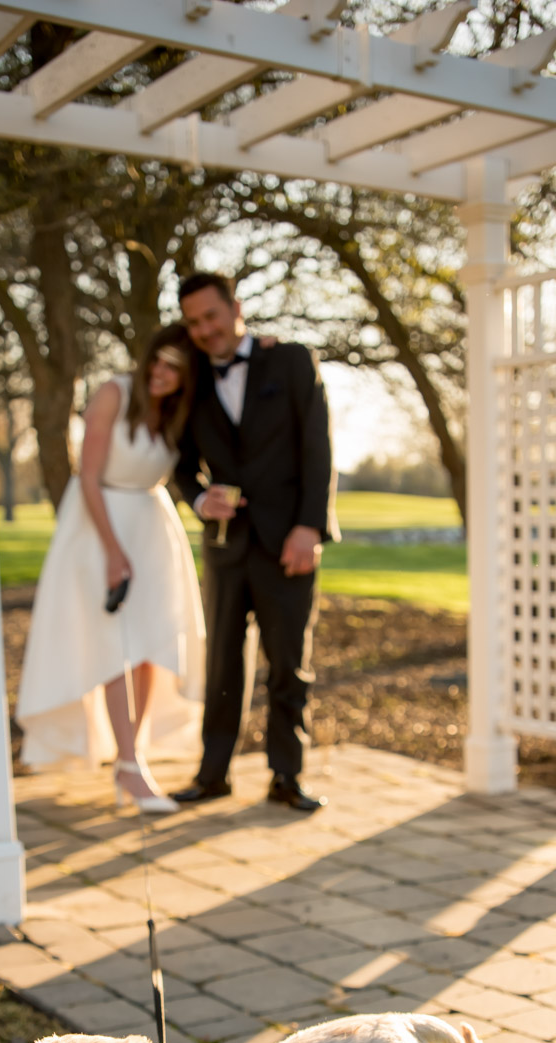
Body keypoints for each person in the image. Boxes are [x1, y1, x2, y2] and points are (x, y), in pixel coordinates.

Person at [16, 326, 205, 812]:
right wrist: (113, 551)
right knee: (114, 645)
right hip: (100, 527)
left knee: (149, 647)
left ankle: (132, 756)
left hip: (153, 526)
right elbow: (90, 477)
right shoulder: (113, 393)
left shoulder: (178, 413)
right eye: (158, 362)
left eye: (175, 369)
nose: (162, 375)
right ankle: (128, 763)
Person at [171, 271, 337, 812]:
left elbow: (318, 447)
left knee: (289, 662)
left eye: (211, 316)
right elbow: (175, 457)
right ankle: (213, 774)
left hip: (289, 540)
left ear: (235, 308)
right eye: (193, 322)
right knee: (221, 663)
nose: (204, 330)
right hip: (224, 547)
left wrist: (310, 528)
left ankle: (286, 777)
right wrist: (197, 498)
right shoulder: (188, 376)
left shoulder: (289, 360)